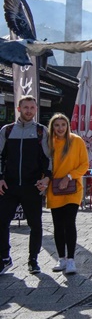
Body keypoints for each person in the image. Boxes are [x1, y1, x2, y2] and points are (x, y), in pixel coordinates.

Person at [0, 95, 52, 275]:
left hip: (32, 185)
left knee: (35, 225)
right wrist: (0, 177)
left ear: (36, 109)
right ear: (19, 109)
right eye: (26, 107)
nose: (29, 111)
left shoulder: (41, 131)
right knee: (2, 223)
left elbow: (48, 158)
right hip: (9, 186)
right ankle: (5, 258)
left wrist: (47, 178)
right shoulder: (7, 131)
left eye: (32, 107)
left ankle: (33, 260)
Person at [45, 113, 89, 275]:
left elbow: (84, 164)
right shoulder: (48, 142)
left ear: (67, 125)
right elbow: (44, 164)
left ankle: (71, 259)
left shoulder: (76, 141)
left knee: (69, 222)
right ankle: (61, 258)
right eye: (57, 125)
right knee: (58, 225)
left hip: (73, 187)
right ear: (52, 127)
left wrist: (69, 176)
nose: (60, 128)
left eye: (63, 125)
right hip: (55, 188)